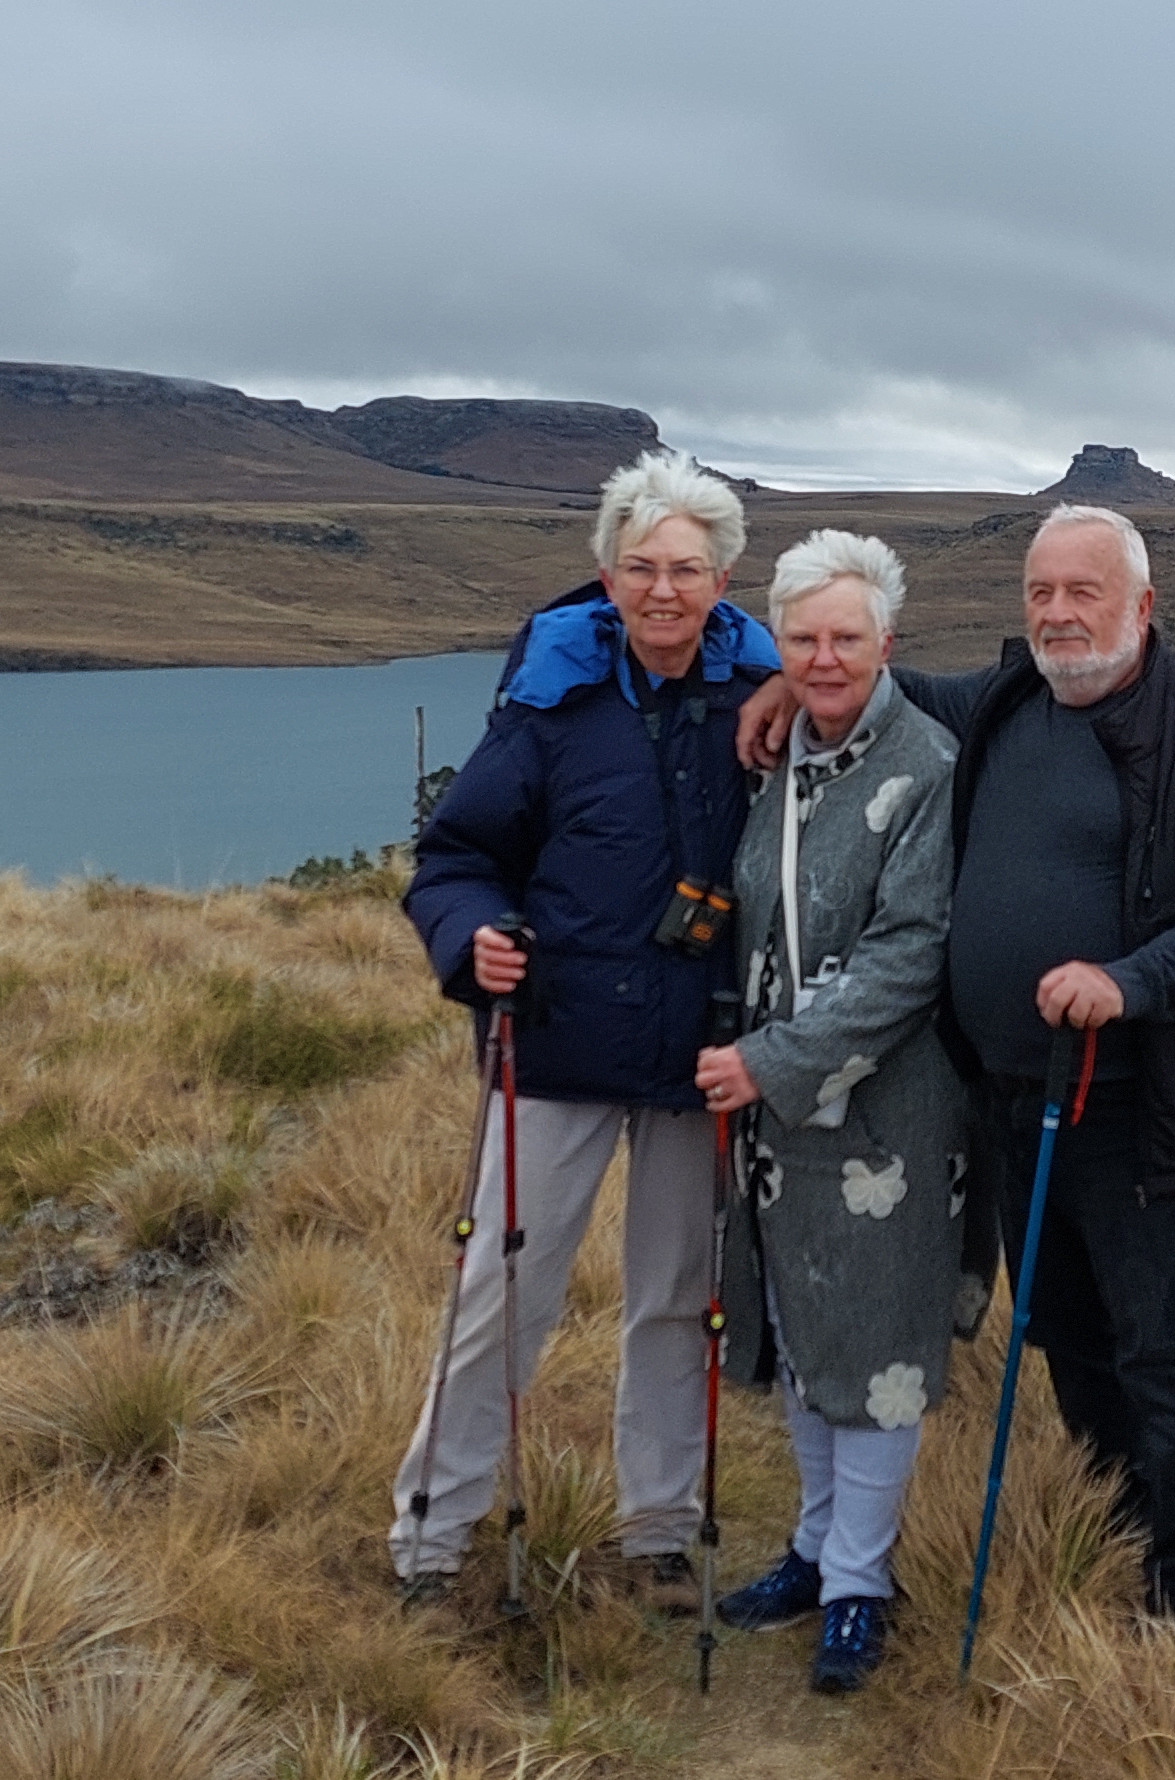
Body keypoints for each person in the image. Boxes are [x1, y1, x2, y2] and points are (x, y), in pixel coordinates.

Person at [737, 503, 1175, 1617]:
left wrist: (1129, 980)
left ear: (1140, 604)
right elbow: (876, 687)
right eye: (1040, 591)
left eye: (1081, 592)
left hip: (1143, 1106)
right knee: (1069, 1334)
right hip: (1010, 1098)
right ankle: (1120, 1525)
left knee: (1169, 1349)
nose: (1056, 613)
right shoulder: (1006, 698)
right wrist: (780, 683)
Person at [390, 451, 778, 1610]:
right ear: (606, 575)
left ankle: (659, 1529)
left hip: (695, 1051)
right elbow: (454, 859)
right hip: (551, 1041)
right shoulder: (547, 701)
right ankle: (431, 1534)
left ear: (724, 580)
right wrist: (473, 941)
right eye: (642, 567)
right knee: (502, 1296)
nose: (663, 591)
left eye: (688, 570)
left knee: (674, 1297)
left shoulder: (762, 696)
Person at [693, 529, 982, 1692]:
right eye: (802, 638)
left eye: (845, 639)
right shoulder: (782, 760)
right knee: (808, 1336)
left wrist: (774, 1059)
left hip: (890, 1118)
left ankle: (862, 1582)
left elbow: (911, 954)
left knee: (878, 1346)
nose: (822, 658)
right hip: (777, 1116)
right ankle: (815, 1551)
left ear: (887, 645)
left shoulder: (928, 767)